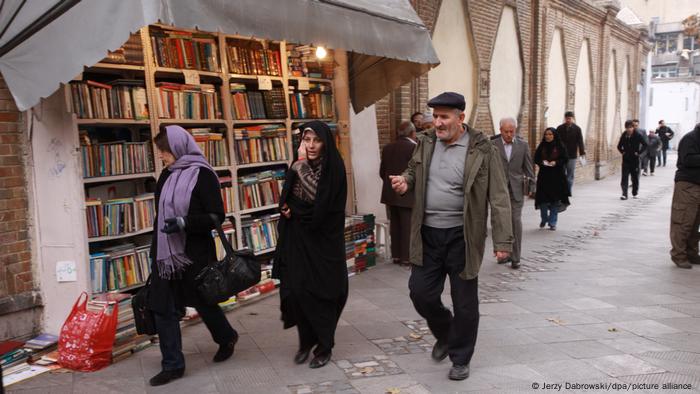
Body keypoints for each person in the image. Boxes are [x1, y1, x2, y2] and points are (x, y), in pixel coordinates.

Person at [390, 92, 513, 381]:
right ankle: (446, 331)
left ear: (461, 118)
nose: (438, 122)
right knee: (420, 293)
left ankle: (460, 358)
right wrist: (404, 182)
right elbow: (412, 171)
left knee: (465, 302)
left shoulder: (483, 149)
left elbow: (499, 196)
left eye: (445, 116)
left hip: (463, 237)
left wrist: (503, 242)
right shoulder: (426, 142)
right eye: (435, 116)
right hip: (428, 234)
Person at [148, 126, 238, 386]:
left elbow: (216, 217)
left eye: (164, 151)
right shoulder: (166, 175)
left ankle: (226, 337)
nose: (162, 156)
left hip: (194, 252)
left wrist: (184, 223)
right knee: (162, 306)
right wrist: (157, 250)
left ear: (177, 147)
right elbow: (159, 214)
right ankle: (173, 365)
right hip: (167, 254)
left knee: (202, 301)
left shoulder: (203, 175)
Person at [273, 121, 348, 369]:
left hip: (324, 243)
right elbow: (287, 196)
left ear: (326, 142)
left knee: (323, 295)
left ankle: (324, 346)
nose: (311, 145)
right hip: (298, 239)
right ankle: (305, 341)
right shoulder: (298, 165)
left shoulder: (333, 167)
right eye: (307, 140)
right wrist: (286, 208)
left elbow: (318, 198)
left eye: (316, 140)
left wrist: (300, 165)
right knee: (297, 292)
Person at [491, 117, 535, 268]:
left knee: (515, 222)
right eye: (506, 132)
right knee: (500, 222)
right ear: (500, 130)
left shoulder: (522, 145)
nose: (509, 134)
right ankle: (502, 254)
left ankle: (516, 257)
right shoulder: (492, 145)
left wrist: (532, 187)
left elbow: (529, 169)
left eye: (512, 131)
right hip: (498, 190)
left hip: (516, 189)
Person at [379, 121, 417, 266]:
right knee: (407, 226)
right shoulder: (413, 148)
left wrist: (391, 185)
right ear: (412, 133)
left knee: (395, 225)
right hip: (407, 193)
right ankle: (406, 257)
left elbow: (382, 171)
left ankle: (396, 256)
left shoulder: (388, 147)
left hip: (390, 192)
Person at [669, 123, 700, 269]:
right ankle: (679, 255)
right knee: (683, 222)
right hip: (688, 185)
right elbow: (687, 160)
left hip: (697, 185)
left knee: (695, 223)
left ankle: (692, 253)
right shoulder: (690, 138)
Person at [534, 127, 570, 230]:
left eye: (550, 134)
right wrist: (542, 162)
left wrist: (556, 162)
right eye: (546, 134)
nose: (548, 136)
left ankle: (553, 222)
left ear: (554, 135)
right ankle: (544, 218)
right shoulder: (542, 146)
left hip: (557, 177)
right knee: (543, 201)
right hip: (544, 177)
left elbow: (565, 159)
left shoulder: (560, 146)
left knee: (555, 201)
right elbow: (536, 158)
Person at [556, 111, 586, 195]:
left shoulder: (577, 129)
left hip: (572, 156)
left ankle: (568, 190)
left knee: (570, 174)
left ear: (573, 119)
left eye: (570, 118)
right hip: (561, 155)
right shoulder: (559, 128)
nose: (568, 120)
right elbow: (556, 141)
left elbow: (580, 142)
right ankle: (562, 190)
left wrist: (582, 152)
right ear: (565, 118)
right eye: (567, 118)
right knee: (561, 174)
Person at [617, 120, 647, 200]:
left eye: (630, 127)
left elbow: (645, 145)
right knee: (624, 177)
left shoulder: (638, 135)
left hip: (635, 160)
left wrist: (639, 153)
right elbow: (619, 146)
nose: (629, 129)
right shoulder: (624, 135)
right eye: (627, 128)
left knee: (635, 178)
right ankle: (624, 194)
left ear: (633, 127)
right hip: (626, 160)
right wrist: (622, 152)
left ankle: (635, 192)